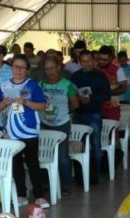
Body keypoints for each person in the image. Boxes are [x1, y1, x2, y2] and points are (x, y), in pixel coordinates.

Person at [0, 54, 49, 207]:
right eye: (16, 66)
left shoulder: (32, 85)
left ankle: (39, 196)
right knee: (16, 164)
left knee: (33, 163)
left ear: (27, 70)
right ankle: (21, 195)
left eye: (22, 67)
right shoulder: (4, 85)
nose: (18, 70)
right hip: (12, 131)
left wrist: (25, 102)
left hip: (30, 129)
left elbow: (43, 106)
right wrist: (4, 103)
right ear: (11, 67)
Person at [39, 54, 79, 196]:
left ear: (58, 67)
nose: (50, 72)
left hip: (62, 123)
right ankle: (44, 183)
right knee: (44, 154)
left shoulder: (67, 84)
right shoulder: (41, 84)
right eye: (47, 69)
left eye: (52, 68)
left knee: (62, 155)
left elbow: (75, 104)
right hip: (44, 123)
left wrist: (64, 113)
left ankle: (66, 184)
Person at [71, 49, 111, 184]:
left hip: (94, 114)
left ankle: (96, 174)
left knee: (95, 144)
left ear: (93, 61)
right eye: (83, 62)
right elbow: (70, 93)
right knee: (77, 145)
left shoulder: (100, 76)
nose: (86, 64)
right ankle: (80, 174)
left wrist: (91, 98)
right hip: (79, 114)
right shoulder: (75, 76)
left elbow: (107, 95)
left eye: (88, 61)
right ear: (80, 62)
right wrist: (78, 98)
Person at [97, 45, 124, 125]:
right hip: (97, 108)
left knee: (112, 133)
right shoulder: (95, 69)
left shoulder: (118, 70)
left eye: (105, 60)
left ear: (111, 58)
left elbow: (124, 88)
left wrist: (108, 92)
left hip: (112, 108)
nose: (102, 61)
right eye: (100, 59)